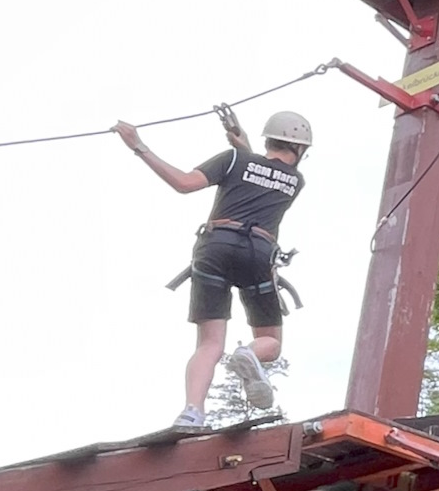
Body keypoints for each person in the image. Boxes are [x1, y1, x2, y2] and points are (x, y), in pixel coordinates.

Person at [114, 110, 311, 429]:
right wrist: (244, 147)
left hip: (215, 247)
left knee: (209, 343)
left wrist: (139, 146)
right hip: (258, 253)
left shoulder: (234, 159)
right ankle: (249, 353)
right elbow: (263, 174)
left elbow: (184, 183)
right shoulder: (295, 181)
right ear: (300, 149)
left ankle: (192, 411)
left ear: (268, 139)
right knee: (270, 343)